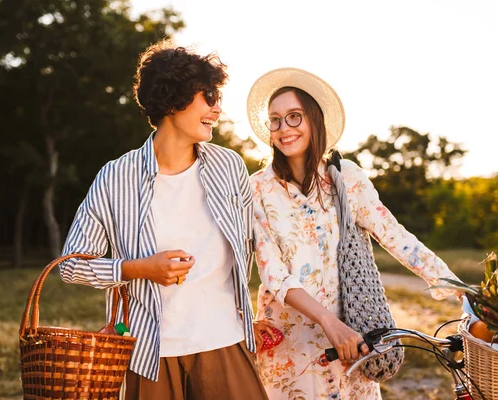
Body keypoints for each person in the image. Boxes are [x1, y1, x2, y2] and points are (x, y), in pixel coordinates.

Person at [59, 39, 269, 400]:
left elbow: (261, 242)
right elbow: (71, 266)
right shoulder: (115, 177)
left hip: (225, 339)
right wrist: (141, 269)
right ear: (173, 100)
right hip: (148, 352)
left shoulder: (230, 166)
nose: (218, 109)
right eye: (208, 96)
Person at [246, 67, 461, 399]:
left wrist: (453, 285)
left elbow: (394, 235)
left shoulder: (346, 178)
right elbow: (272, 273)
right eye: (275, 120)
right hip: (291, 347)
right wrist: (329, 325)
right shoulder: (257, 188)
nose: (283, 128)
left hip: (353, 338)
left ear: (315, 120)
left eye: (294, 117)